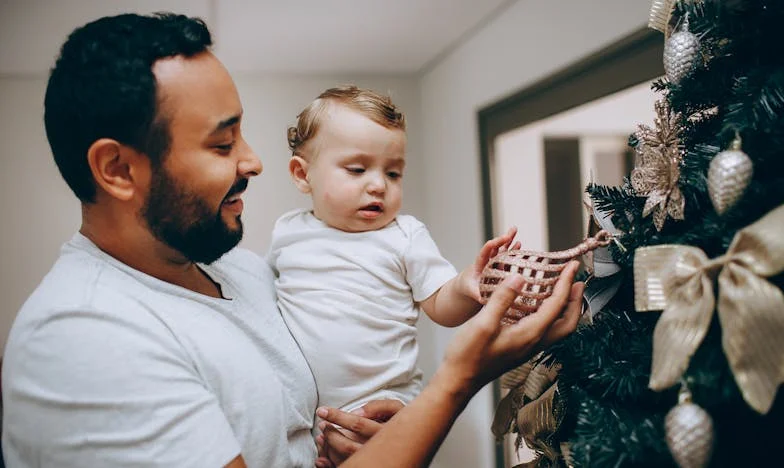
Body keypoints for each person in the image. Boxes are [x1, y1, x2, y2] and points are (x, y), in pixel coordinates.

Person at [0, 12, 584, 468]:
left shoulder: (246, 273)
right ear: (118, 170)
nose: (253, 161)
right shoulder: (83, 339)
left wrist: (380, 438)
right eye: (222, 144)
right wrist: (459, 379)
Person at [269, 85, 519, 417]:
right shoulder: (288, 230)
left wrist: (466, 285)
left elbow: (441, 305)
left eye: (393, 173)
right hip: (299, 408)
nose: (378, 185)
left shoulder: (403, 236)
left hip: (383, 402)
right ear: (303, 175)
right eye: (357, 170)